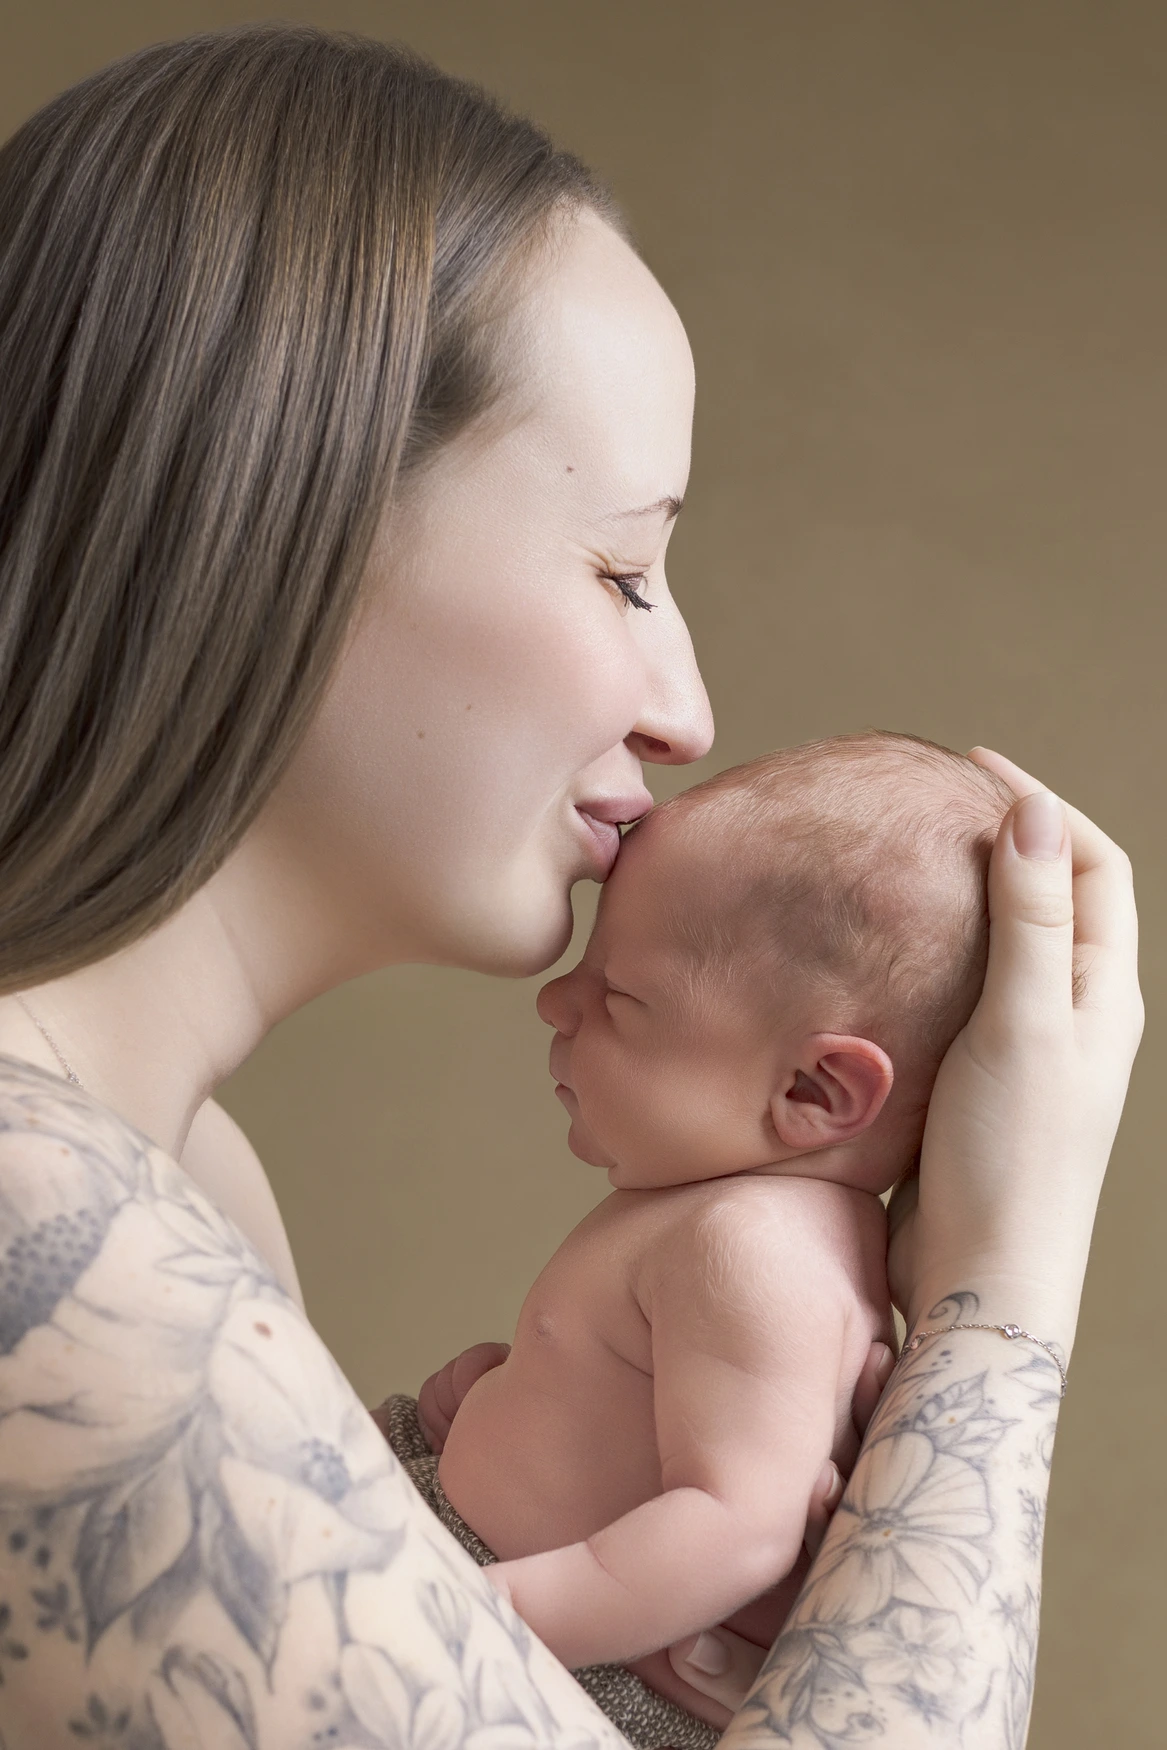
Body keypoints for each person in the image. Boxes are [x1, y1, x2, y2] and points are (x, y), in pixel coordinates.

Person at [0, 23, 1141, 1750]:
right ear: (290, 513)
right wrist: (994, 1307)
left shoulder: (179, 1181)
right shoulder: (46, 1234)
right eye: (621, 568)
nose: (685, 713)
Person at [423, 734, 1013, 1716]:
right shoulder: (724, 1214)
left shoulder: (752, 1245)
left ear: (815, 1090)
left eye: (619, 995)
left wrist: (455, 1616)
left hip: (565, 1657)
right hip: (517, 1587)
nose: (556, 1001)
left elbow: (737, 1529)